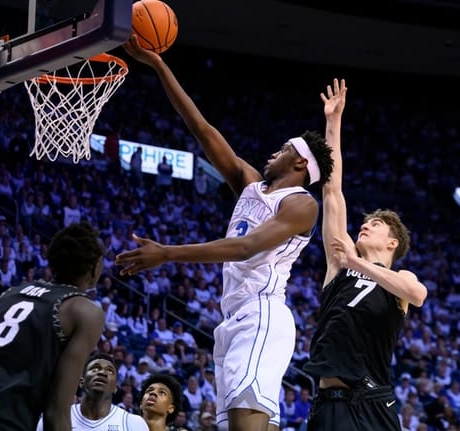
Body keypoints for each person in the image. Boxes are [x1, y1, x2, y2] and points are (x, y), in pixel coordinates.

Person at [119, 37, 334, 431]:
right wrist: (158, 66)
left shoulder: (302, 204)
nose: (274, 151)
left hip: (261, 315)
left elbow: (247, 247)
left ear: (301, 162)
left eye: (284, 148)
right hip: (232, 320)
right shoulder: (251, 184)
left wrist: (166, 253)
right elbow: (201, 129)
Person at [302, 79, 428, 430]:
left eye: (376, 224)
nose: (366, 225)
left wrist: (358, 263)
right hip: (331, 402)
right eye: (366, 222)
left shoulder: (400, 280)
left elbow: (417, 296)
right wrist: (333, 123)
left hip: (374, 402)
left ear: (393, 244)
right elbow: (331, 192)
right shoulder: (339, 261)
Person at [0, 222, 106, 431]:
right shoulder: (85, 312)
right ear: (95, 266)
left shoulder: (11, 293)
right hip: (0, 423)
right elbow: (56, 411)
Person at [35, 353, 148, 431]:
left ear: (115, 387)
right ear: (81, 382)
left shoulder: (134, 423)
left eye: (110, 371)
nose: (102, 373)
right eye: (95, 369)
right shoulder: (55, 418)